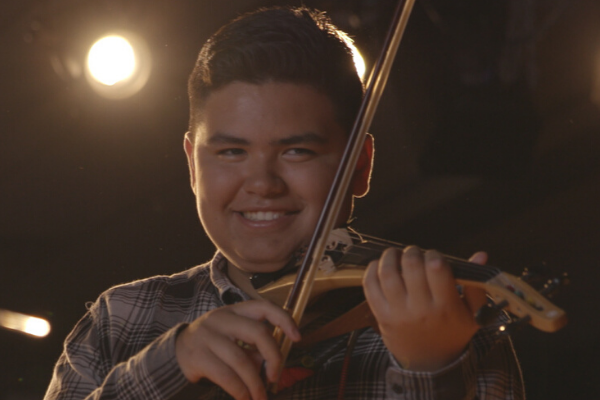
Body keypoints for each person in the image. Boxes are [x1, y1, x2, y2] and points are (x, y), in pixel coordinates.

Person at [44, 6, 524, 400]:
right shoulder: (124, 318)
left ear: (360, 166)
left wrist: (430, 371)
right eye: (232, 151)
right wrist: (168, 367)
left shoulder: (452, 323)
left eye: (297, 151)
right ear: (192, 165)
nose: (262, 183)